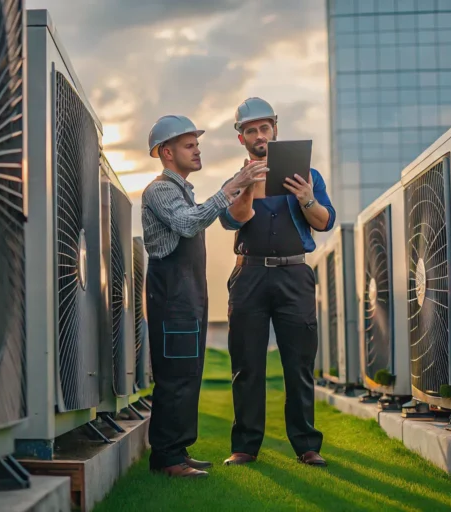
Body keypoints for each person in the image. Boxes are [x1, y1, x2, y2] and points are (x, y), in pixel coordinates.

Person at [141, 114, 267, 478]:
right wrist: (231, 188)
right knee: (175, 377)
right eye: (189, 145)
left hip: (188, 298)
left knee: (189, 373)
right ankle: (166, 458)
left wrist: (237, 185)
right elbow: (187, 222)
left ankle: (177, 451)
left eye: (197, 144)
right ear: (167, 152)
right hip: (171, 300)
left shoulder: (184, 190)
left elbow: (198, 212)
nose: (197, 150)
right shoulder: (160, 190)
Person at [219, 97, 336, 467]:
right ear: (242, 139)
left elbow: (324, 222)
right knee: (247, 363)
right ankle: (245, 447)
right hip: (249, 274)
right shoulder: (236, 180)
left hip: (294, 274)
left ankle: (306, 445)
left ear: (275, 130)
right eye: (250, 130)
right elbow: (231, 221)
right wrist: (249, 187)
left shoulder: (309, 176)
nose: (259, 136)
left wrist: (305, 198)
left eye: (264, 128)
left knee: (299, 364)